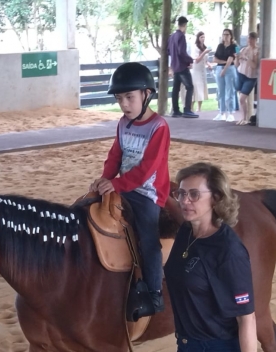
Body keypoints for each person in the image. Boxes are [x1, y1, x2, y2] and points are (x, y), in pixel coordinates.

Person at [164, 163, 257, 352]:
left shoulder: (228, 251)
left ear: (215, 198)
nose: (185, 201)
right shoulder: (185, 234)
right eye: (181, 194)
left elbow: (247, 320)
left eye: (194, 194)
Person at [89, 62, 170, 320]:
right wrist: (105, 178)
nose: (124, 104)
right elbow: (115, 155)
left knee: (148, 238)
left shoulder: (159, 127)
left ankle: (154, 293)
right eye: (119, 98)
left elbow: (147, 169)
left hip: (148, 193)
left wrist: (117, 184)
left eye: (130, 97)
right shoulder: (123, 123)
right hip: (123, 187)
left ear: (147, 95)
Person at [169, 16, 200, 118]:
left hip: (175, 65)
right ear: (185, 25)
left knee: (175, 89)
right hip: (182, 66)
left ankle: (176, 110)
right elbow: (181, 51)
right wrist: (189, 60)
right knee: (190, 87)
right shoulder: (181, 36)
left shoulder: (172, 36)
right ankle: (187, 109)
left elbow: (168, 51)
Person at [213, 29, 239, 122]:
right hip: (219, 68)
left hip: (229, 69)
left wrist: (224, 69)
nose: (225, 36)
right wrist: (223, 62)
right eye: (224, 35)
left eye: (227, 35)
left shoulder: (234, 46)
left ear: (231, 36)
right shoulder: (220, 46)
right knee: (220, 92)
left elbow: (232, 58)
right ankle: (222, 112)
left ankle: (230, 113)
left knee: (230, 91)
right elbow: (215, 59)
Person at [235, 32, 260, 125]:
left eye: (252, 39)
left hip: (250, 77)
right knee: (240, 99)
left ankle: (244, 118)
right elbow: (237, 64)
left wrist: (247, 58)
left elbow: (254, 66)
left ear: (255, 40)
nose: (250, 41)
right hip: (241, 73)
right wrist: (237, 57)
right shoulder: (243, 49)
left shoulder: (257, 51)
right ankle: (242, 118)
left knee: (242, 98)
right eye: (249, 38)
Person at [190, 31, 212, 112]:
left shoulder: (205, 47)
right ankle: (191, 107)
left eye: (204, 37)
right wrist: (204, 52)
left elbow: (205, 60)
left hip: (203, 70)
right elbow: (197, 60)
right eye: (201, 37)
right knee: (195, 88)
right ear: (198, 38)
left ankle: (199, 108)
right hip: (196, 70)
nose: (203, 39)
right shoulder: (195, 47)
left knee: (202, 88)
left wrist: (209, 64)